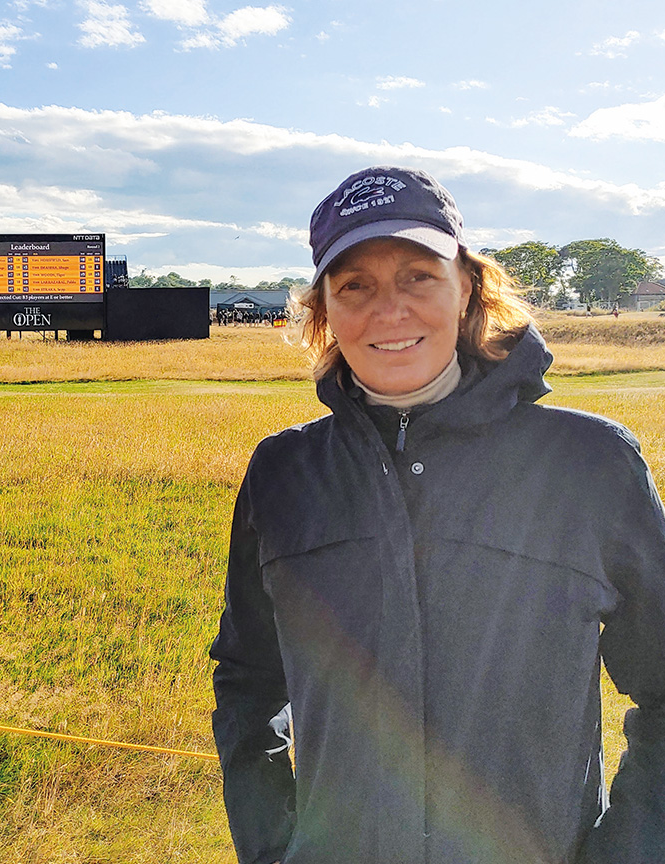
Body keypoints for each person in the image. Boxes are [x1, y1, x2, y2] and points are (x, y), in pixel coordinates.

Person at [210, 166, 665, 864]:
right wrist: (274, 847)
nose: (388, 310)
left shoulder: (589, 465)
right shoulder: (284, 475)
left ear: (468, 290)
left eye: (418, 276)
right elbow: (246, 680)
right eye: (354, 285)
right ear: (324, 310)